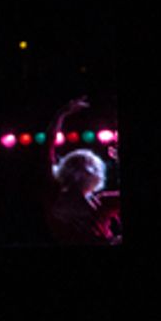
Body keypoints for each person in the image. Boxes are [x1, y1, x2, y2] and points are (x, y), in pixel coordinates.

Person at [45, 96, 120, 245]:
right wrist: (61, 114)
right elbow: (47, 147)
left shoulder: (102, 201)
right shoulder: (55, 193)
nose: (81, 169)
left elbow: (47, 146)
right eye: (77, 163)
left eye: (85, 163)